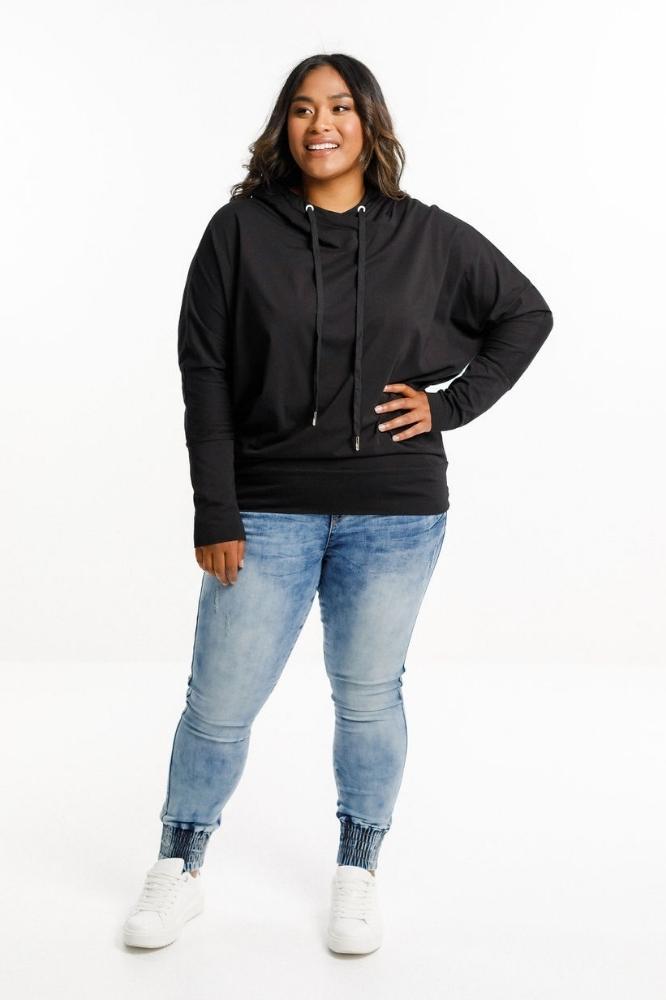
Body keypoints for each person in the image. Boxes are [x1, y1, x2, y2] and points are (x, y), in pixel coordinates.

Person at [122, 53, 553, 955]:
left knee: (367, 697)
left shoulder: (425, 235)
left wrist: (447, 407)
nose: (322, 123)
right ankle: (179, 864)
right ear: (284, 126)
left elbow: (525, 314)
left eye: (342, 107)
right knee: (219, 702)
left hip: (395, 511)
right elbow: (204, 372)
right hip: (267, 506)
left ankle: (357, 872)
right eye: (304, 109)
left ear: (370, 123)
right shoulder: (239, 232)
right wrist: (215, 508)